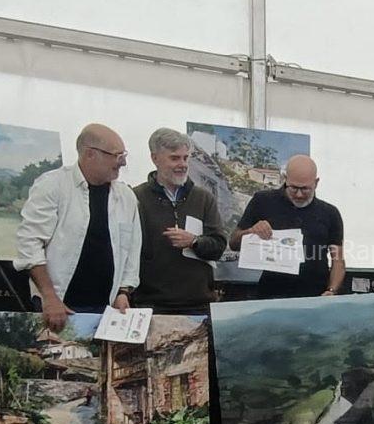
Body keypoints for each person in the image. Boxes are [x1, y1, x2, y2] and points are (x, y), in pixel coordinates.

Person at [15, 124, 141, 332]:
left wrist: (123, 292)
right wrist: (50, 297)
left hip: (107, 309)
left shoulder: (126, 197)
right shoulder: (53, 185)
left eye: (123, 155)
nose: (123, 162)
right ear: (91, 154)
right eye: (117, 156)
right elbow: (30, 244)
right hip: (58, 305)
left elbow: (132, 250)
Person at [133, 128, 227, 314]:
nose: (182, 164)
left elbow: (219, 245)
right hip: (150, 306)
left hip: (198, 305)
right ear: (155, 158)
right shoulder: (136, 198)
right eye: (175, 158)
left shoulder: (204, 198)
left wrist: (194, 241)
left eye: (186, 158)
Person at [229, 155, 345, 299]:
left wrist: (332, 290)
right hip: (271, 294)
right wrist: (251, 232)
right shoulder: (263, 201)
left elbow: (338, 260)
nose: (299, 194)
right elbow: (233, 243)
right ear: (285, 179)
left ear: (316, 183)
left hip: (315, 296)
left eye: (305, 189)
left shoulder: (330, 213)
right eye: (294, 188)